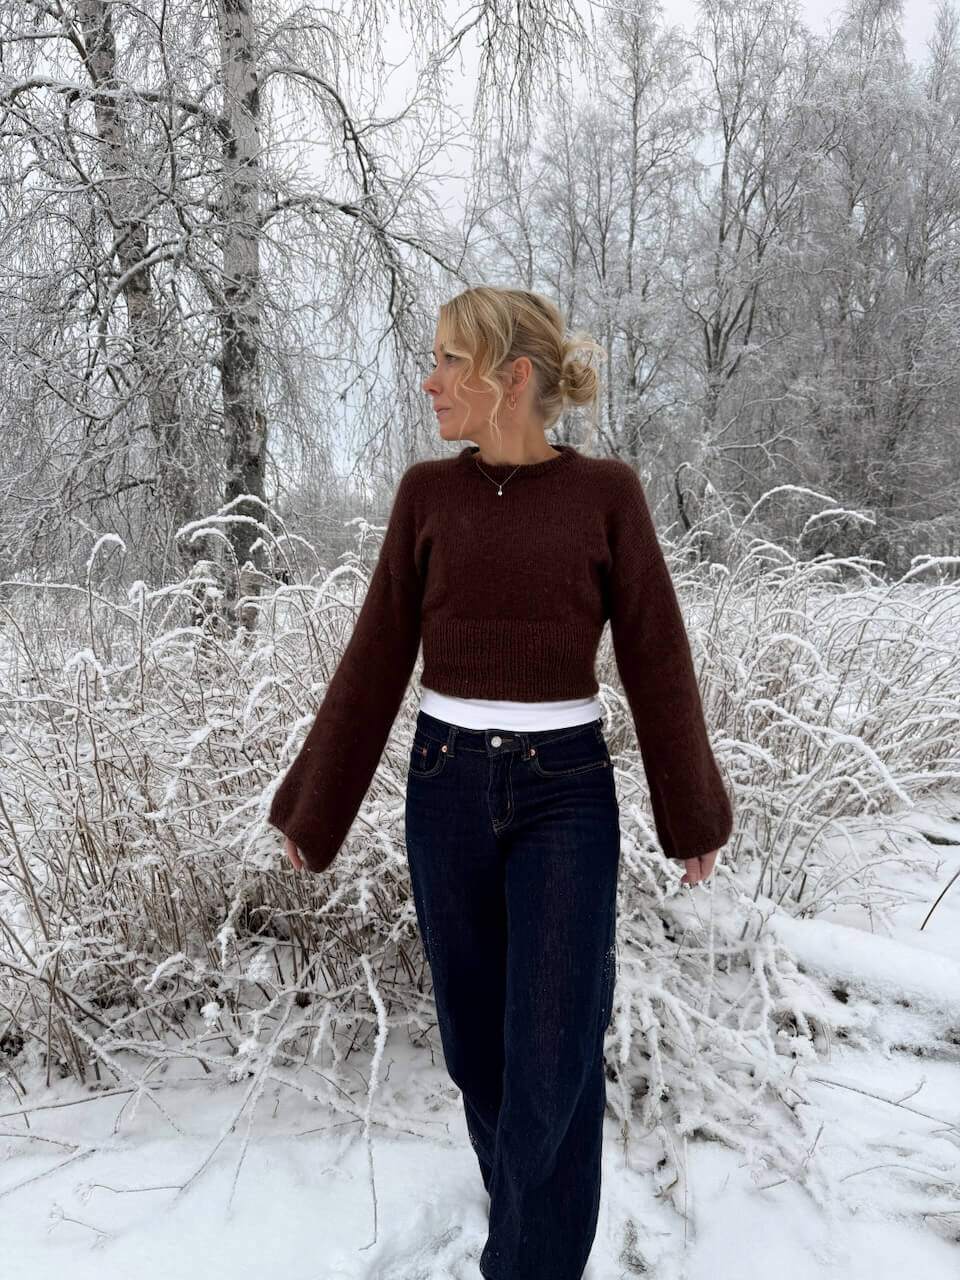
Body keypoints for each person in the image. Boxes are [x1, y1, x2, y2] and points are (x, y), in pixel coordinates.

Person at [268, 286, 733, 1280]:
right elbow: (376, 654)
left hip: (566, 795)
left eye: (449, 360)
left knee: (553, 1052)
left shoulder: (607, 494)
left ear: (511, 376)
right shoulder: (426, 497)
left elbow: (656, 654)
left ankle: (525, 1261)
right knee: (478, 1050)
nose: (429, 381)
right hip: (445, 790)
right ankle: (525, 1209)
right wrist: (316, 806)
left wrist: (690, 809)